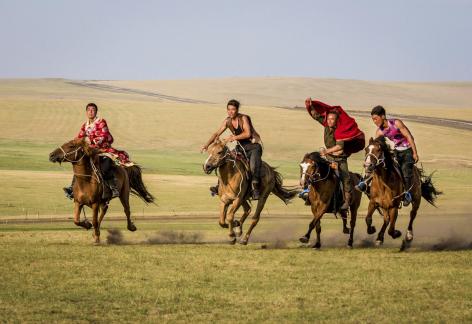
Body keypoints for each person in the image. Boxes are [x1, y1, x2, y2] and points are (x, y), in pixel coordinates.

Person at [304, 98, 365, 210]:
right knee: (313, 169)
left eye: (332, 119)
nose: (330, 121)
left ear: (337, 121)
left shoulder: (340, 131)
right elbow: (316, 116)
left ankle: (347, 200)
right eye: (329, 119)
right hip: (327, 158)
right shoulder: (326, 125)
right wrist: (310, 106)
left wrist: (326, 151)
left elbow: (339, 147)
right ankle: (307, 192)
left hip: (339, 160)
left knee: (345, 177)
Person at [63, 103, 131, 199]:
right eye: (89, 110)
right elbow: (79, 137)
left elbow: (103, 135)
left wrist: (88, 141)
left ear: (96, 112)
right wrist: (74, 143)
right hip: (90, 151)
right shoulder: (85, 125)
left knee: (106, 165)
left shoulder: (101, 122)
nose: (91, 112)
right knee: (79, 165)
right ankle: (72, 188)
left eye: (93, 110)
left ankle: (113, 187)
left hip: (102, 149)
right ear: (86, 112)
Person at [356, 105, 419, 206]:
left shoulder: (396, 123)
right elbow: (377, 145)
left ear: (383, 116)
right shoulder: (379, 131)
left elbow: (409, 136)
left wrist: (415, 153)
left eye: (376, 119)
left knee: (406, 171)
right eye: (373, 120)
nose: (375, 121)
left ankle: (407, 194)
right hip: (396, 150)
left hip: (407, 150)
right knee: (377, 165)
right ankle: (364, 182)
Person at [201, 99, 263, 200]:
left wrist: (233, 138)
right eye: (228, 109)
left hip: (253, 148)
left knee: (252, 167)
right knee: (224, 160)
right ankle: (219, 186)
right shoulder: (227, 121)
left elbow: (247, 133)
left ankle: (255, 189)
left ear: (237, 110)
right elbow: (216, 134)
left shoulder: (243, 118)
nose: (230, 111)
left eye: (233, 109)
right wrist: (206, 145)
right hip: (240, 147)